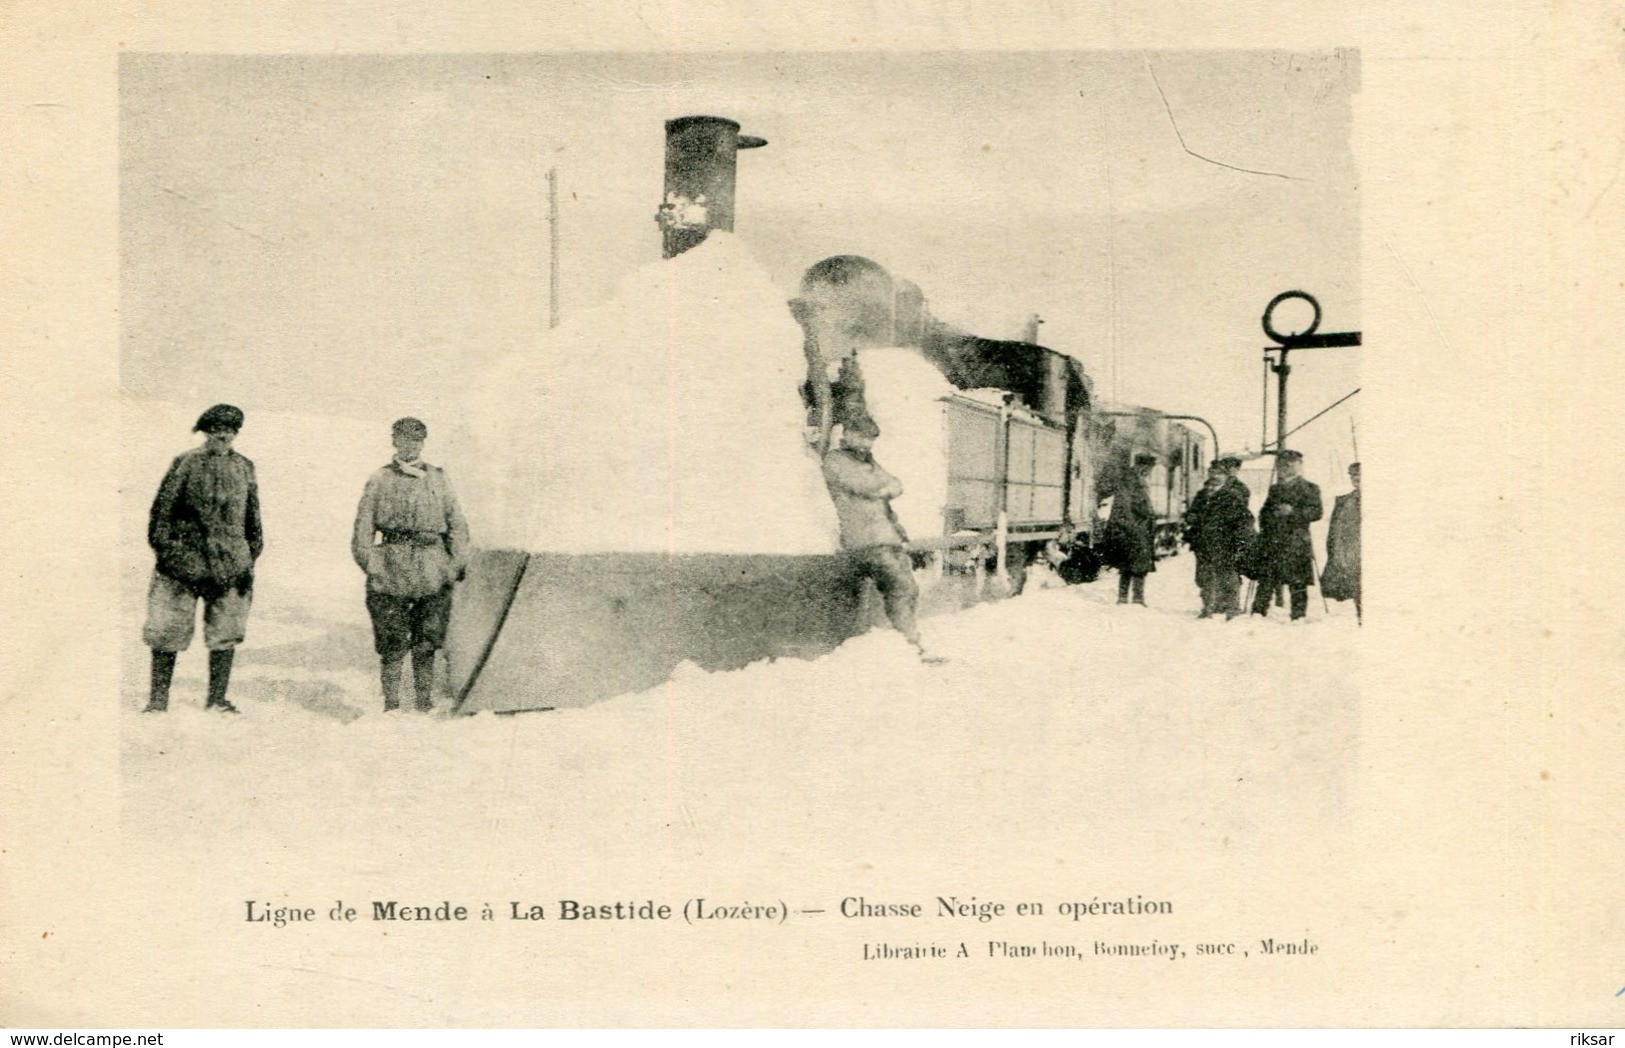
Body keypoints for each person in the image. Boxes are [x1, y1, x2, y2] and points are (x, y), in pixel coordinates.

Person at [142, 403, 264, 713]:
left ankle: (217, 700)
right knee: (167, 631)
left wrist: (246, 557)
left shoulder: (245, 467)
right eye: (216, 430)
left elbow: (253, 520)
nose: (223, 436)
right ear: (206, 432)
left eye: (230, 431)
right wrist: (173, 557)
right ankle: (157, 703)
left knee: (226, 632)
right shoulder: (185, 464)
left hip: (229, 568)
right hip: (182, 566)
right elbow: (161, 517)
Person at [353, 417, 470, 712]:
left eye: (416, 440)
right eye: (404, 439)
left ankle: (423, 701)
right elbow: (363, 529)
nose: (410, 445)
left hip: (433, 568)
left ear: (423, 443)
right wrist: (373, 565)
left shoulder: (439, 478)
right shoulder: (380, 479)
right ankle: (391, 704)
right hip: (391, 569)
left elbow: (457, 524)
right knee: (392, 639)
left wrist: (453, 565)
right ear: (394, 441)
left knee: (427, 640)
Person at [820, 415, 942, 663]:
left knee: (908, 588)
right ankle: (909, 644)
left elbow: (896, 484)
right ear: (848, 433)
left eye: (871, 439)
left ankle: (906, 642)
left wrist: (882, 487)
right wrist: (881, 487)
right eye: (862, 437)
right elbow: (867, 486)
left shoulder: (866, 461)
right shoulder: (836, 460)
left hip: (885, 536)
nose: (866, 444)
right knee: (901, 587)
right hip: (865, 539)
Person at [1249, 448, 1324, 620]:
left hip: (1296, 541)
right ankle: (1258, 614)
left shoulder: (1310, 488)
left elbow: (1317, 512)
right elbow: (1263, 512)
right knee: (1266, 578)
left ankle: (1298, 616)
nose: (1285, 467)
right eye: (1282, 464)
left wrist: (1292, 512)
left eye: (1290, 464)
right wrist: (1268, 521)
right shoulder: (1275, 489)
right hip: (1273, 540)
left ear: (1299, 465)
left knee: (1297, 580)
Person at [1183, 459, 1254, 618]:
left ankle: (1232, 609)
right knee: (1205, 576)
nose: (1214, 476)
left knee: (1228, 575)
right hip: (1204, 541)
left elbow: (1243, 519)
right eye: (1212, 472)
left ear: (1225, 476)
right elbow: (1191, 512)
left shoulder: (1232, 496)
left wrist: (1242, 538)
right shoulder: (1202, 494)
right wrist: (1190, 517)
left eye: (1219, 473)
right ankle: (1207, 608)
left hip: (1225, 541)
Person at [1106, 453, 1158, 606]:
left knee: (1131, 564)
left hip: (1136, 529)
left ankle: (1129, 598)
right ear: (1142, 466)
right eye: (1149, 468)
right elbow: (1125, 507)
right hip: (1133, 529)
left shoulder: (1133, 479)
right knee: (1134, 564)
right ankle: (1133, 599)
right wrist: (1134, 528)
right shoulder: (1130, 481)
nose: (1150, 472)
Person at [1320, 462, 1362, 622]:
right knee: (1357, 593)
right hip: (1349, 556)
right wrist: (1337, 555)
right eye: (1352, 475)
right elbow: (1335, 532)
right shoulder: (1345, 501)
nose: (1355, 478)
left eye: (1359, 475)